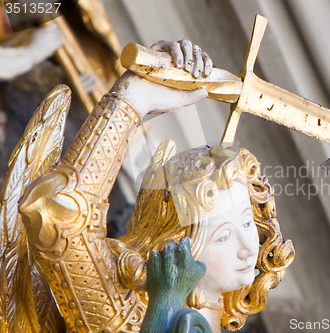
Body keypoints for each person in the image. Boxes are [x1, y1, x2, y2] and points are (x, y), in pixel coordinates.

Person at [15, 39, 294, 333]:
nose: (248, 248)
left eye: (248, 223)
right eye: (223, 237)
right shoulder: (120, 315)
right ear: (173, 246)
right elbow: (58, 212)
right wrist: (134, 99)